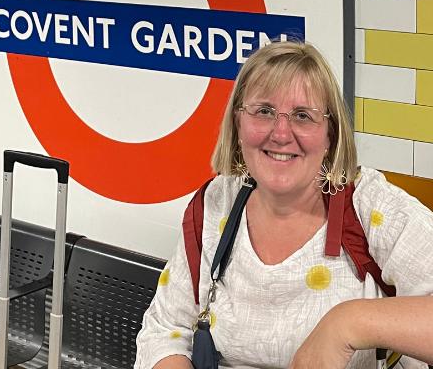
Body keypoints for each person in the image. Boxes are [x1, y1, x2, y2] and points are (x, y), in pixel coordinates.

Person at [135, 41, 433, 369]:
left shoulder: (373, 210)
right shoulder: (216, 203)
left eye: (302, 116)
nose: (280, 134)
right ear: (238, 122)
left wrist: (349, 323)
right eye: (264, 111)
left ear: (329, 135)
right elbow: (165, 329)